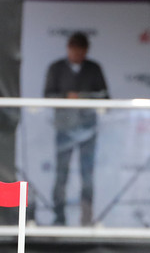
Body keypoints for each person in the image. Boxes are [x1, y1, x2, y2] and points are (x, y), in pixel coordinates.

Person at [44, 32, 109, 225]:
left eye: (80, 51)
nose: (76, 55)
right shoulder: (56, 69)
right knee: (61, 174)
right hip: (64, 129)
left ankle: (86, 218)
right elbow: (46, 96)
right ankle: (59, 217)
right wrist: (66, 97)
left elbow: (105, 96)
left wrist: (82, 97)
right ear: (68, 49)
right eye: (73, 50)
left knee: (87, 176)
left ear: (85, 51)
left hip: (88, 130)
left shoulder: (93, 68)